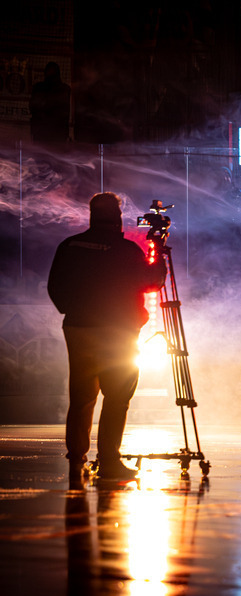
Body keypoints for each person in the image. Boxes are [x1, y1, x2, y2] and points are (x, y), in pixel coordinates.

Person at [47, 193, 167, 480]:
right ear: (117, 217)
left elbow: (54, 286)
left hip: (79, 327)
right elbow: (153, 282)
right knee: (117, 395)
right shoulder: (127, 250)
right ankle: (110, 460)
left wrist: (72, 309)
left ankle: (77, 457)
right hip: (119, 330)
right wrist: (158, 248)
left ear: (92, 215)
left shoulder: (70, 245)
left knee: (82, 394)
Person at [29, 62, 72, 144]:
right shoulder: (39, 88)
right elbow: (33, 107)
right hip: (46, 133)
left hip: (54, 133)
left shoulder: (64, 89)